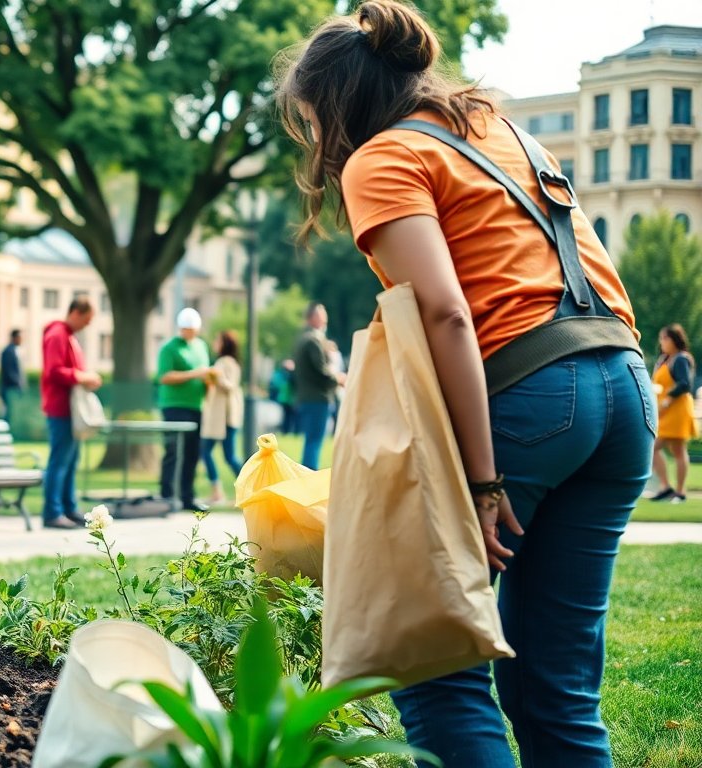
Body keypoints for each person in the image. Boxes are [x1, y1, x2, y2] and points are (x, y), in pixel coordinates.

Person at [278, 2, 651, 765]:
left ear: (338, 104)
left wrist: (483, 483)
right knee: (558, 683)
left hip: (529, 397)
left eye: (312, 119)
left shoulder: (380, 159)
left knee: (434, 669)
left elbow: (448, 314)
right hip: (624, 389)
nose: (315, 139)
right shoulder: (499, 131)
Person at [40, 297, 102, 529]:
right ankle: (53, 511)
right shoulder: (57, 335)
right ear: (75, 312)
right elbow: (54, 371)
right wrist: (82, 376)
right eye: (86, 320)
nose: (87, 325)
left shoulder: (68, 336)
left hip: (71, 408)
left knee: (71, 458)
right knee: (60, 459)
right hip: (60, 407)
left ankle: (68, 506)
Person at [157, 307, 212, 513]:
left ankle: (187, 496)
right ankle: (167, 495)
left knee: (192, 452)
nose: (188, 332)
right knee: (173, 450)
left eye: (191, 329)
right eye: (185, 329)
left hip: (196, 406)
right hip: (174, 406)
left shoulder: (201, 346)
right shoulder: (169, 348)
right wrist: (193, 374)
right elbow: (164, 376)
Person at [292, 303, 342, 470]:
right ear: (313, 317)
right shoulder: (314, 340)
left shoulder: (302, 339)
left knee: (311, 441)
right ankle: (309, 479)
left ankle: (307, 478)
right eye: (322, 314)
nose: (325, 318)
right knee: (314, 442)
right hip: (318, 398)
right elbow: (321, 371)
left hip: (307, 398)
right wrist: (339, 379)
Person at [650, 324, 696, 503]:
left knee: (658, 448)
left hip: (676, 409)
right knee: (674, 450)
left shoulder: (681, 359)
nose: (662, 342)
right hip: (664, 411)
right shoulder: (663, 359)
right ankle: (669, 488)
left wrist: (667, 399)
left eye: (665, 338)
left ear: (674, 339)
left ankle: (676, 490)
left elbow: (684, 383)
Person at [200, 330, 244, 504]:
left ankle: (246, 489)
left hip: (225, 418)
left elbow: (229, 385)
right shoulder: (223, 362)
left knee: (227, 456)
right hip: (220, 418)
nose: (214, 343)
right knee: (213, 453)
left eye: (217, 340)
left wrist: (216, 376)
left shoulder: (227, 362)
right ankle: (219, 492)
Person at [0, 329, 26, 423]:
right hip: (10, 389)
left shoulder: (16, 351)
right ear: (15, 338)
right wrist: (18, 384)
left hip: (15, 388)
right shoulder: (8, 351)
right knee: (8, 413)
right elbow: (9, 372)